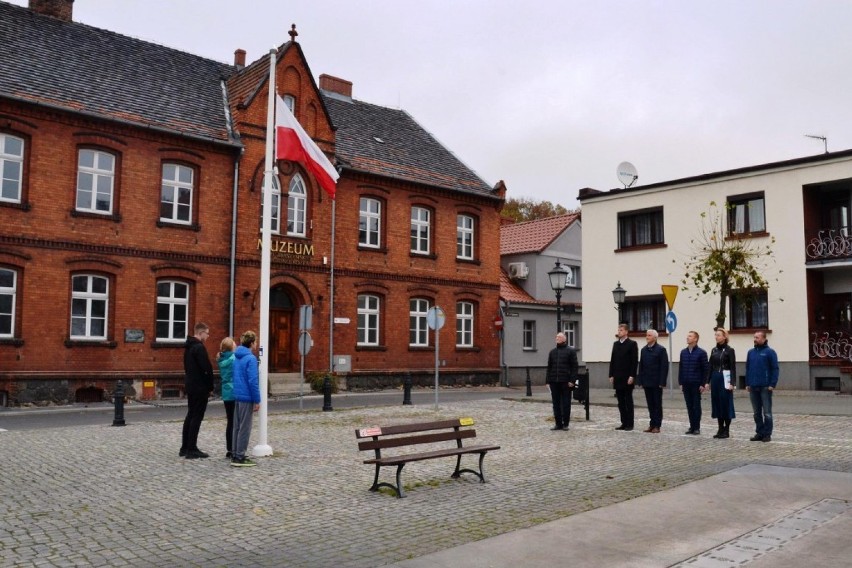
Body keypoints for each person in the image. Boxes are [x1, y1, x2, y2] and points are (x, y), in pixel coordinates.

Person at [180, 322, 214, 459]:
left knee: (190, 415)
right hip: (200, 387)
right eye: (207, 333)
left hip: (191, 385)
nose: (208, 335)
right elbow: (206, 368)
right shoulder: (199, 348)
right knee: (196, 417)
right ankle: (192, 448)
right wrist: (210, 386)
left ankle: (185, 447)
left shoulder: (188, 347)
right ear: (200, 333)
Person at [231, 330, 261, 467]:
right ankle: (240, 456)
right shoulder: (250, 359)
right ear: (252, 343)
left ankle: (235, 452)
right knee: (245, 427)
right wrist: (257, 399)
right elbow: (253, 381)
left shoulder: (237, 356)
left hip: (237, 394)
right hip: (247, 396)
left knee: (237, 426)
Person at [746, 330, 779, 442]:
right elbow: (748, 368)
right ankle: (759, 432)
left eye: (757, 337)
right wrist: (747, 383)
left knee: (767, 412)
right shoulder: (751, 352)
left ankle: (767, 434)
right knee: (756, 413)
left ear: (764, 339)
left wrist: (772, 383)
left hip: (765, 386)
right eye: (754, 337)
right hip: (753, 386)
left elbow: (775, 368)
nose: (755, 339)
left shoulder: (770, 352)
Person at [636, 329, 668, 433]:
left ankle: (657, 425)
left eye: (649, 335)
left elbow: (664, 367)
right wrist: (640, 380)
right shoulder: (644, 350)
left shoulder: (661, 350)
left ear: (655, 337)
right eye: (646, 335)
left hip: (656, 382)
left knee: (657, 404)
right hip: (647, 381)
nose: (647, 337)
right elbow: (641, 366)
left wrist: (662, 382)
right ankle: (652, 424)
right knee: (650, 404)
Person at [545, 332, 578, 430]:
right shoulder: (552, 352)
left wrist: (572, 380)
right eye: (556, 337)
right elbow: (549, 367)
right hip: (554, 381)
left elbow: (574, 367)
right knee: (556, 403)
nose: (557, 338)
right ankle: (558, 423)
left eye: (559, 337)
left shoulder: (571, 351)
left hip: (566, 381)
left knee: (566, 403)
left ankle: (565, 423)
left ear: (564, 339)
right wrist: (547, 381)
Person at [678, 330, 709, 435]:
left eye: (690, 336)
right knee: (689, 406)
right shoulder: (683, 352)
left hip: (696, 383)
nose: (688, 338)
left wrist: (703, 383)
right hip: (686, 382)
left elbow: (705, 369)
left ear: (695, 339)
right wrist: (681, 382)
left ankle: (697, 427)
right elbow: (681, 367)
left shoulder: (701, 353)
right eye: (687, 336)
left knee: (696, 405)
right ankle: (691, 426)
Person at [609, 323, 638, 431]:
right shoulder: (616, 344)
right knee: (620, 401)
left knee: (628, 401)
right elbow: (613, 360)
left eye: (621, 330)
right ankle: (623, 422)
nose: (619, 332)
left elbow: (634, 361)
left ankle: (630, 423)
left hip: (627, 377)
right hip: (617, 376)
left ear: (626, 332)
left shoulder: (632, 344)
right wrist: (611, 374)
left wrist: (632, 375)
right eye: (618, 330)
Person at [708, 328, 736, 439]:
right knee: (717, 403)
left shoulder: (730, 350)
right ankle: (720, 428)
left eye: (718, 335)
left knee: (725, 404)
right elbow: (710, 366)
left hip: (725, 378)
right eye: (715, 335)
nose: (716, 337)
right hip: (715, 378)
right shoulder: (714, 350)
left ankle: (726, 429)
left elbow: (733, 367)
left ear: (724, 337)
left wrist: (732, 383)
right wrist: (707, 381)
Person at [217, 337, 236, 458]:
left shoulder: (221, 358)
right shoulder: (233, 359)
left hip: (226, 392)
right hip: (234, 391)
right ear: (231, 347)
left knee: (230, 421)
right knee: (235, 422)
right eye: (234, 344)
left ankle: (229, 448)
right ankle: (234, 447)